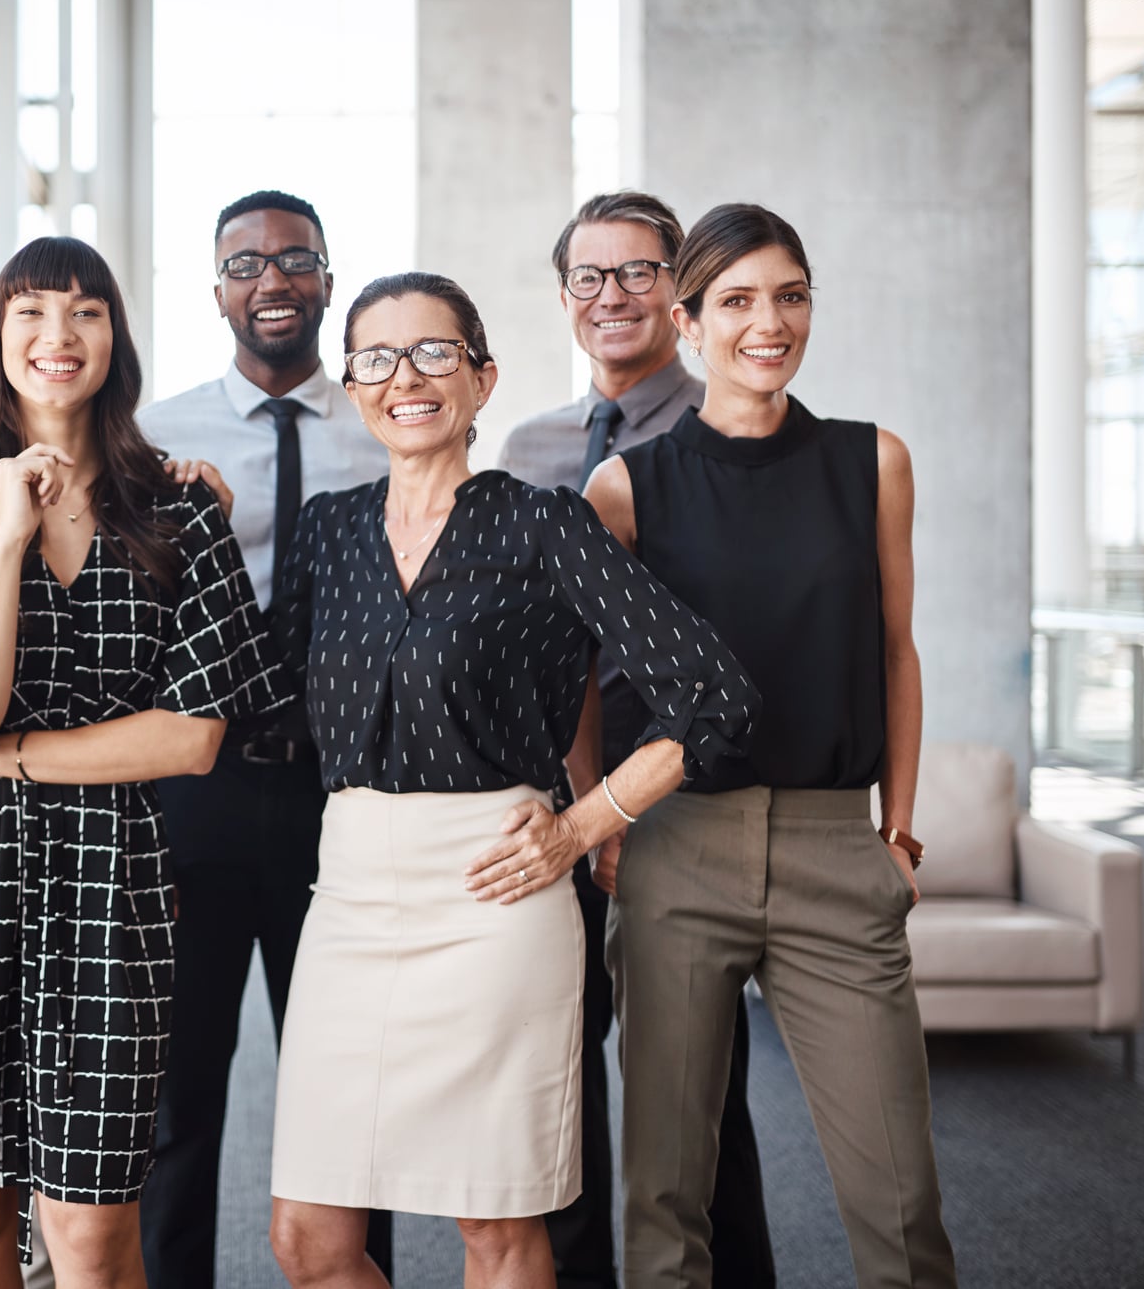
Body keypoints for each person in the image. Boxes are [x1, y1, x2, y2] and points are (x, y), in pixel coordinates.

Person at [267, 272, 757, 1289]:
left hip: (497, 891)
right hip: (351, 894)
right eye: (376, 357)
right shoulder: (325, 532)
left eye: (434, 352)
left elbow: (713, 693)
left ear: (482, 379)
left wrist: (583, 824)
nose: (405, 376)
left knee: (493, 1231)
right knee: (307, 1241)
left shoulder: (544, 525)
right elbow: (259, 711)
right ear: (352, 384)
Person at [0, 235, 290, 1289]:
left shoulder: (182, 509)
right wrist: (6, 537)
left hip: (112, 891)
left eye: (85, 312)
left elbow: (191, 736)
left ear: (115, 343)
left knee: (92, 1232)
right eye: (33, 311)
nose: (59, 335)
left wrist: (8, 757)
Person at [584, 204, 956, 1289]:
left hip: (837, 855)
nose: (769, 321)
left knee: (900, 1199)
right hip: (679, 851)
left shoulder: (870, 461)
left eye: (789, 295)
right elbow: (585, 682)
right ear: (686, 322)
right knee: (664, 1199)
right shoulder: (627, 488)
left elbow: (896, 649)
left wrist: (894, 829)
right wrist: (599, 814)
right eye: (737, 300)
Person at [496, 191, 775, 1289]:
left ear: (681, 288)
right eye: (588, 276)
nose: (612, 295)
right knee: (555, 1094)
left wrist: (632, 803)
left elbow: (743, 643)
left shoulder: (731, 426)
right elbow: (525, 638)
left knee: (699, 1107)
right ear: (565, 295)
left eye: (638, 271)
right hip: (555, 809)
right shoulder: (527, 444)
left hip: (691, 804)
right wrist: (577, 805)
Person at [134, 189, 394, 1289]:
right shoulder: (152, 439)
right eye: (246, 264)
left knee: (347, 1101)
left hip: (342, 800)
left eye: (295, 260)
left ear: (328, 282)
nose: (272, 280)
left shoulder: (386, 423)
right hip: (192, 792)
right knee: (178, 1103)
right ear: (218, 293)